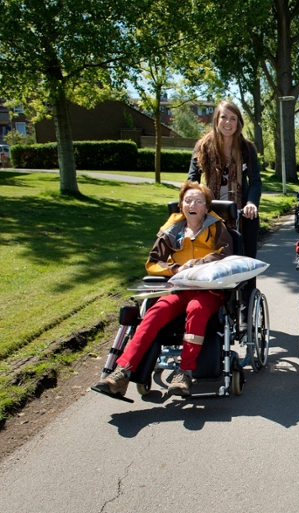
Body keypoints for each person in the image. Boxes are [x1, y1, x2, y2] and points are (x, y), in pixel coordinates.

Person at [94, 181, 234, 398]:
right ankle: (122, 372)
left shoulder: (217, 227)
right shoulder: (171, 230)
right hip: (179, 288)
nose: (192, 205)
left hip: (209, 290)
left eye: (198, 201)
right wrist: (176, 268)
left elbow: (226, 254)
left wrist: (198, 264)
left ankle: (185, 371)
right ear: (181, 206)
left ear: (207, 207)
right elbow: (152, 262)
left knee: (196, 309)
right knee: (155, 312)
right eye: (188, 201)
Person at [187, 99, 262, 312]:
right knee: (211, 258)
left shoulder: (247, 149)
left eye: (233, 119)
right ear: (216, 120)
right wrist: (191, 202)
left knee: (246, 260)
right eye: (224, 118)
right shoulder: (203, 146)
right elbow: (192, 179)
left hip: (241, 211)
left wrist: (251, 203)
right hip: (211, 211)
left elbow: (255, 181)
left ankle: (248, 309)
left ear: (238, 123)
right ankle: (215, 304)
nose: (228, 123)